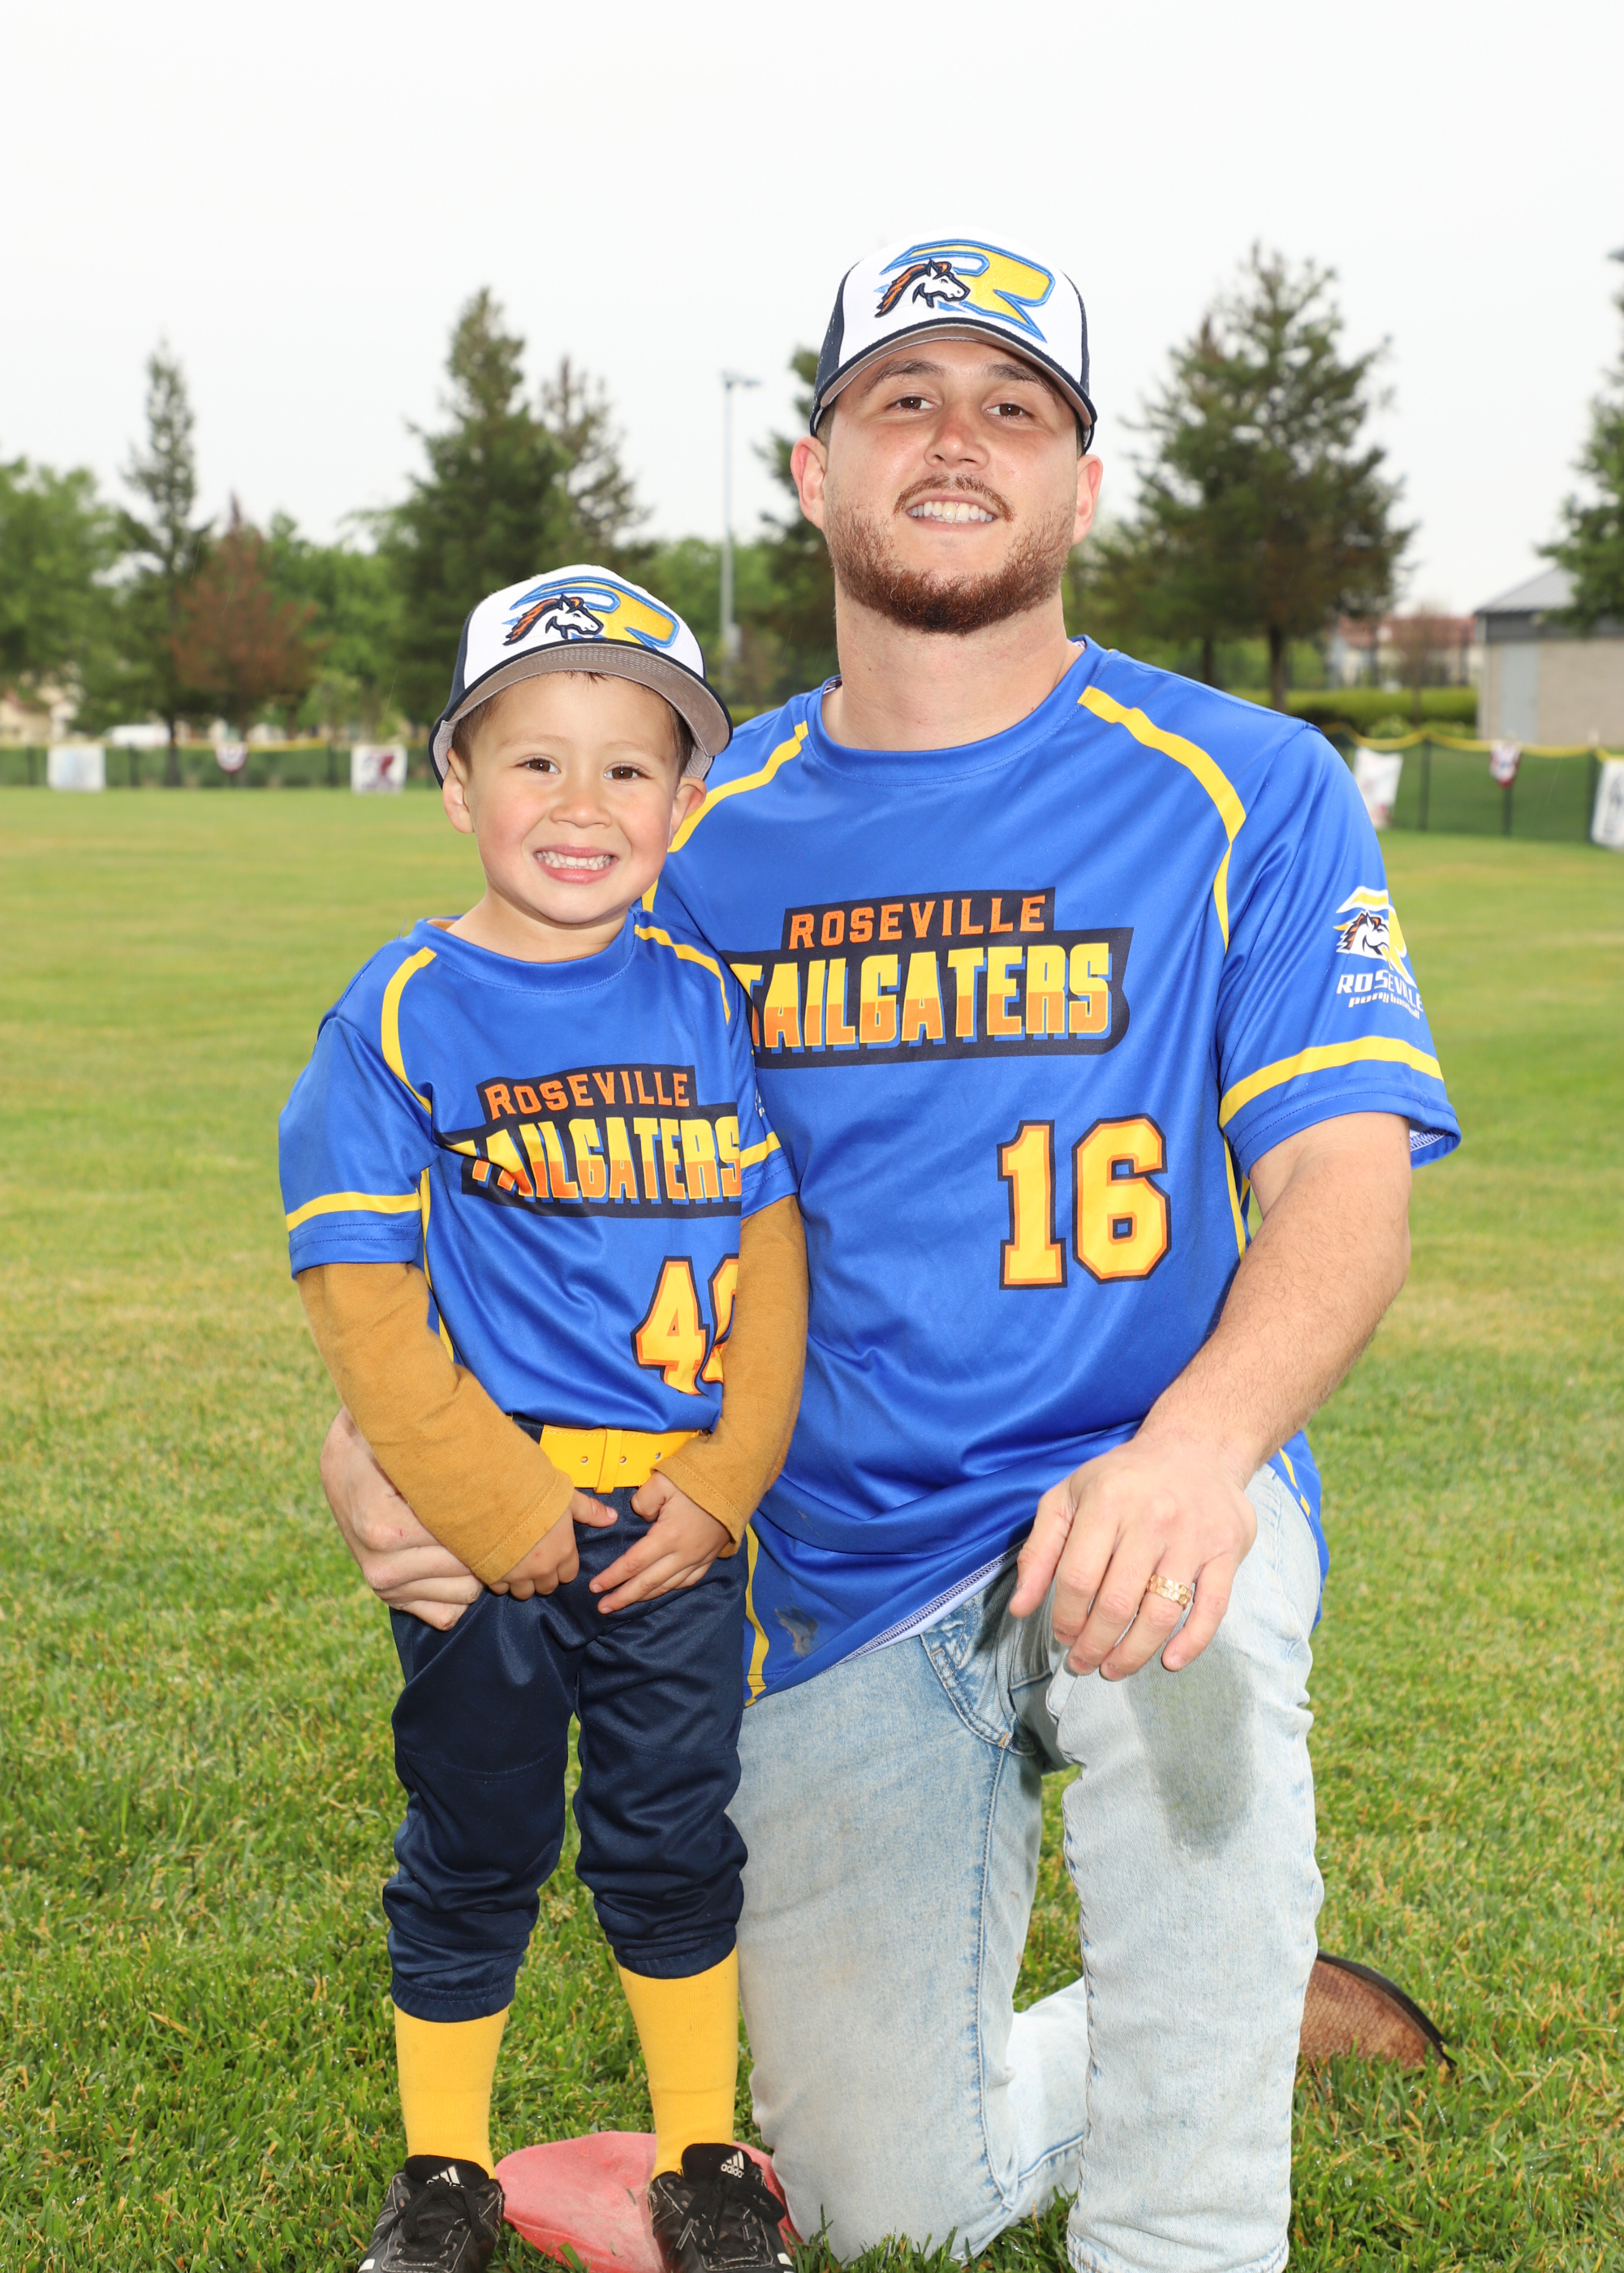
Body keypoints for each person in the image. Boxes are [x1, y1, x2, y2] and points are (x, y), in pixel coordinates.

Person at [323, 235, 1461, 2271]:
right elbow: (503, 1174)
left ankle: (1187, 2222)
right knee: (877, 2202)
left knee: (1190, 1628)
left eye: (1012, 406)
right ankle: (1208, 2009)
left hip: (1136, 1485)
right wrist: (379, 1436)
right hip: (830, 1565)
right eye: (901, 399)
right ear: (812, 467)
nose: (955, 439)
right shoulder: (692, 827)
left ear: (1078, 484)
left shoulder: (1243, 783)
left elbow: (1343, 1184)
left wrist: (1195, 1450)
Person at [279, 567, 808, 2273]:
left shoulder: (703, 1000)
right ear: (454, 781)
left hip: (670, 1531)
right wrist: (492, 1506)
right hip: (487, 1529)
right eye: (534, 761)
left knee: (671, 1836)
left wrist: (726, 1480)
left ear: (684, 799)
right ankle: (443, 2169)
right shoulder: (400, 1010)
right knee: (475, 1839)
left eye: (628, 767)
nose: (583, 805)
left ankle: (703, 2151)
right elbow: (361, 1297)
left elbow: (769, 1253)